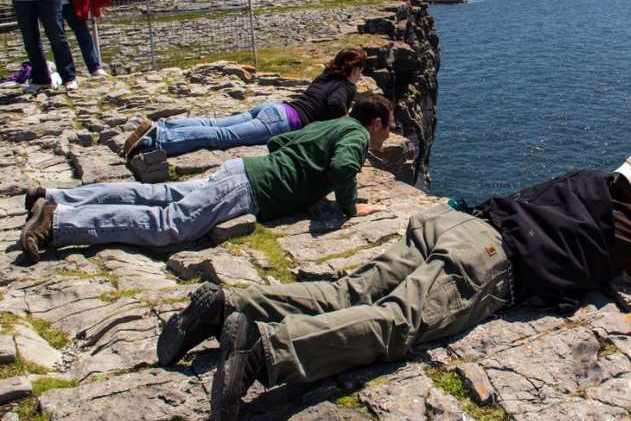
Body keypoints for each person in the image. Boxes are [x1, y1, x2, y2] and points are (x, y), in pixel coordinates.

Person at [156, 149, 631, 421]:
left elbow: (587, 218)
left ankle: (229, 306)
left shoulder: (586, 180)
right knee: (398, 322)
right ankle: (261, 352)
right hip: (488, 262)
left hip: (457, 225)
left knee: (350, 289)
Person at [19, 94, 395, 264]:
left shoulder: (334, 122)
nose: (388, 137)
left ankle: (56, 196)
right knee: (169, 226)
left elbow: (280, 140)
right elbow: (344, 167)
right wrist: (350, 206)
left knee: (159, 195)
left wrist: (301, 176)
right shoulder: (358, 135)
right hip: (250, 189)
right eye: (388, 129)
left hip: (240, 170)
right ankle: (59, 223)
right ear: (375, 122)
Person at [121, 47, 367, 159]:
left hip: (276, 107)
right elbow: (335, 104)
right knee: (223, 136)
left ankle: (163, 127)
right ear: (354, 69)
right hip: (284, 123)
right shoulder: (346, 86)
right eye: (361, 69)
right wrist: (345, 121)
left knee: (214, 123)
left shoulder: (326, 75)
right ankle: (158, 140)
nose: (362, 74)